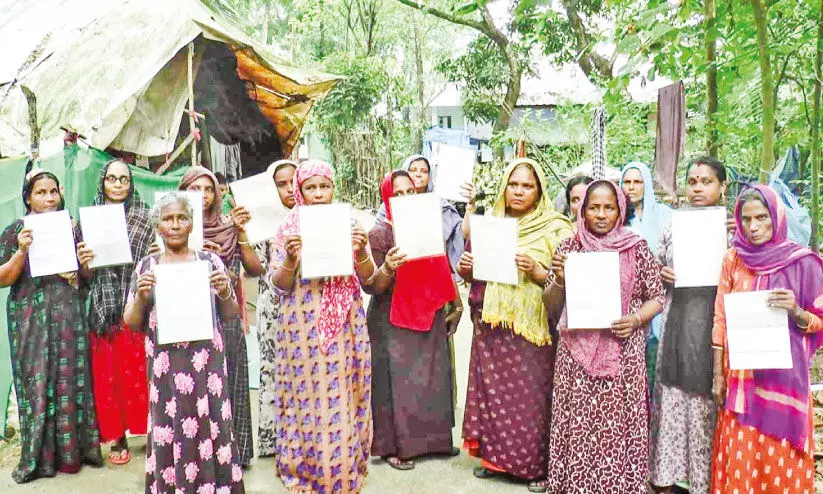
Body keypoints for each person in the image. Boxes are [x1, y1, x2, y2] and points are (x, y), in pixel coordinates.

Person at [457, 158, 572, 491]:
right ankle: (495, 461)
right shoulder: (491, 223)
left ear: (539, 191)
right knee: (494, 395)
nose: (519, 191)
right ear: (505, 187)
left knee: (530, 397)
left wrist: (538, 271)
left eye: (527, 186)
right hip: (493, 325)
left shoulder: (556, 227)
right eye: (514, 184)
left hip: (533, 329)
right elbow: (472, 276)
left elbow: (569, 281)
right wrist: (467, 267)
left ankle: (533, 467)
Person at [542, 180, 664, 494]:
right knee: (581, 423)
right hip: (576, 353)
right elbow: (552, 306)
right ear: (582, 210)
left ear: (620, 210)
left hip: (624, 351)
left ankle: (620, 486)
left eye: (609, 207)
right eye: (593, 207)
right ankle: (577, 485)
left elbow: (657, 297)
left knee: (618, 425)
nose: (601, 214)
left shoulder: (636, 246)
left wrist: (636, 319)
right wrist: (559, 279)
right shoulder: (569, 247)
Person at [124, 192, 245, 494]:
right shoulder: (147, 267)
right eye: (168, 219)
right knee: (171, 424)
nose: (175, 224)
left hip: (207, 365)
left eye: (182, 218)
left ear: (192, 224)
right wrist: (141, 295)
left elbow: (230, 314)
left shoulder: (209, 261)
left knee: (212, 422)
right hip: (166, 366)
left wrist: (226, 290)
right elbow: (132, 321)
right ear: (158, 226)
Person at [709, 184, 823, 494]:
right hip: (741, 378)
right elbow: (720, 317)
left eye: (762, 218)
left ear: (777, 218)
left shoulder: (802, 263)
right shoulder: (733, 259)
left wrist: (796, 311)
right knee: (742, 455)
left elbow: (819, 321)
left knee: (780, 456)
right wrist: (718, 374)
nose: (753, 227)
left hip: (783, 381)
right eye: (746, 219)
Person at [269, 160, 374, 493]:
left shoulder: (351, 223)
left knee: (344, 392)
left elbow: (369, 277)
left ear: (333, 188)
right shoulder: (289, 227)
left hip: (345, 323)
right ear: (300, 191)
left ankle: (343, 469)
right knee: (306, 395)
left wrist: (360, 251)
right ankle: (305, 470)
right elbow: (279, 284)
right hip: (301, 326)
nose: (317, 194)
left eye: (323, 186)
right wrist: (290, 259)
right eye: (310, 187)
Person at [0, 165, 103, 483]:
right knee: (38, 383)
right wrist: (22, 250)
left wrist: (86, 264)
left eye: (53, 191)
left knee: (71, 381)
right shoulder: (17, 230)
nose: (48, 198)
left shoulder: (71, 229)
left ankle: (74, 454)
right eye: (40, 193)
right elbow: (3, 278)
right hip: (31, 318)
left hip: (68, 315)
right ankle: (39, 460)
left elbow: (84, 279)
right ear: (28, 198)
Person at [365, 170, 463, 470]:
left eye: (411, 192)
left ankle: (436, 442)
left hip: (429, 308)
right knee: (398, 382)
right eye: (398, 193)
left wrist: (456, 303)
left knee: (433, 376)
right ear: (387, 197)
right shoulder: (379, 233)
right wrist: (389, 267)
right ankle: (396, 447)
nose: (406, 198)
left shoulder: (427, 223)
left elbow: (442, 264)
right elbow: (372, 285)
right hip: (392, 316)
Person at [649, 158, 728, 494]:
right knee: (673, 397)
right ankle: (666, 478)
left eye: (706, 181)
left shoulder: (732, 227)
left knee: (708, 401)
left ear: (722, 187)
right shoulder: (672, 225)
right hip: (677, 323)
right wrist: (661, 274)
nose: (698, 188)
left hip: (715, 326)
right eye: (692, 181)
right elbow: (654, 266)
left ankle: (704, 483)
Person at [179, 166, 264, 468]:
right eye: (193, 189)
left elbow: (255, 269)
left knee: (232, 381)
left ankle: (236, 451)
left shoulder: (230, 226)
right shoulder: (173, 229)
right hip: (188, 318)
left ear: (217, 193)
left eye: (208, 189)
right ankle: (200, 453)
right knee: (196, 385)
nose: (201, 196)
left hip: (225, 315)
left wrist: (240, 232)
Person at [86, 160, 153, 466]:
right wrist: (84, 261)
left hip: (136, 303)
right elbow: (82, 276)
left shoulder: (145, 217)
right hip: (103, 305)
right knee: (109, 376)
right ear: (103, 182)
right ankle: (117, 436)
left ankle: (154, 431)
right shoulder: (88, 220)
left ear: (131, 183)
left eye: (123, 179)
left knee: (141, 371)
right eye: (111, 178)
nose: (117, 184)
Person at [253, 159, 297, 457]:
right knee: (273, 370)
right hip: (272, 306)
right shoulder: (262, 220)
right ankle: (273, 441)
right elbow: (255, 267)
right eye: (280, 184)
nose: (289, 189)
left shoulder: (316, 217)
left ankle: (301, 437)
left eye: (293, 181)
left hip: (305, 305)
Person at [621, 161, 673, 395]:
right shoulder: (617, 218)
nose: (631, 187)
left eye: (637, 182)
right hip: (629, 300)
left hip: (662, 296)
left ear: (647, 185)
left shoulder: (664, 214)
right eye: (627, 182)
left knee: (656, 363)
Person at [376, 155, 473, 278]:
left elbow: (461, 234)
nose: (418, 174)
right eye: (413, 170)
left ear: (430, 177)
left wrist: (470, 205)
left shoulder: (440, 205)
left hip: (433, 274)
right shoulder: (386, 208)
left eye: (424, 171)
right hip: (398, 275)